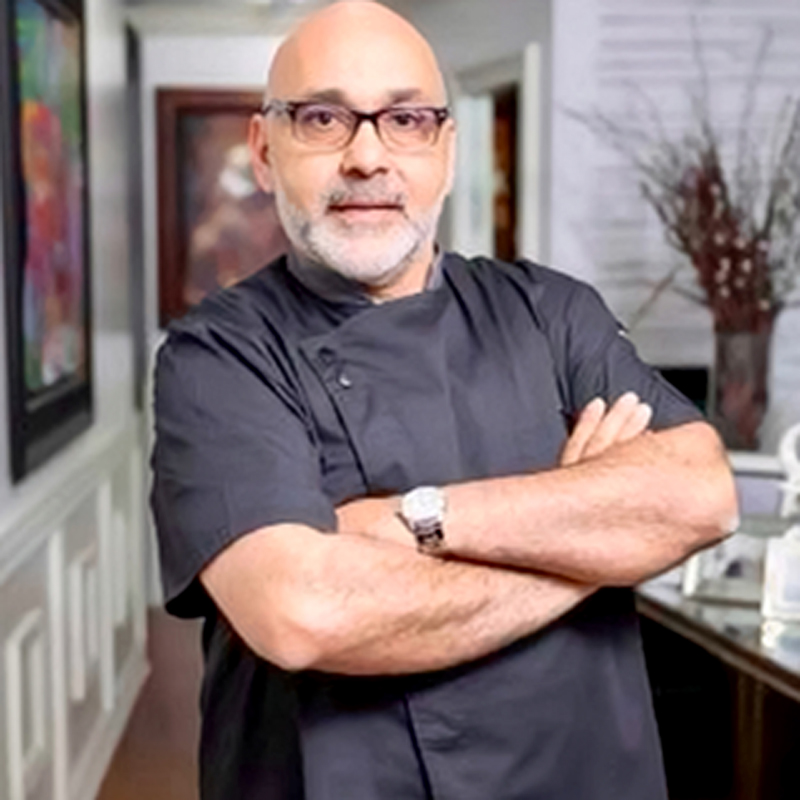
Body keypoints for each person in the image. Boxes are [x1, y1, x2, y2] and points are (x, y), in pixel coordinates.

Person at [150, 2, 738, 798]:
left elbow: (701, 494)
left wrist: (414, 521)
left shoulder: (552, 312)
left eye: (407, 119)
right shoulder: (216, 356)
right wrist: (594, 549)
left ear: (447, 150)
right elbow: (302, 610)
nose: (367, 156)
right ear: (263, 151)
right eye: (323, 117)